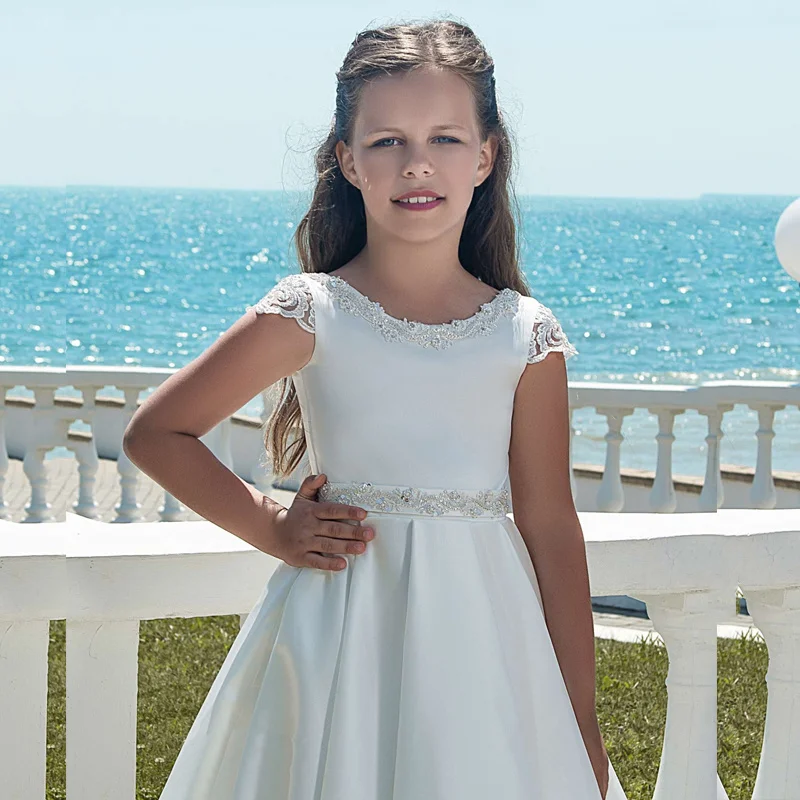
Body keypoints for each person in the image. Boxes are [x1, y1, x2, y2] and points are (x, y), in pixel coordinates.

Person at [123, 17, 629, 800]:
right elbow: (158, 430)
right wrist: (271, 525)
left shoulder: (525, 336)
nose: (417, 163)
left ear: (487, 155)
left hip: (487, 654)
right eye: (387, 140)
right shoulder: (314, 311)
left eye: (446, 139)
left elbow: (552, 532)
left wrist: (582, 722)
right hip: (336, 641)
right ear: (348, 161)